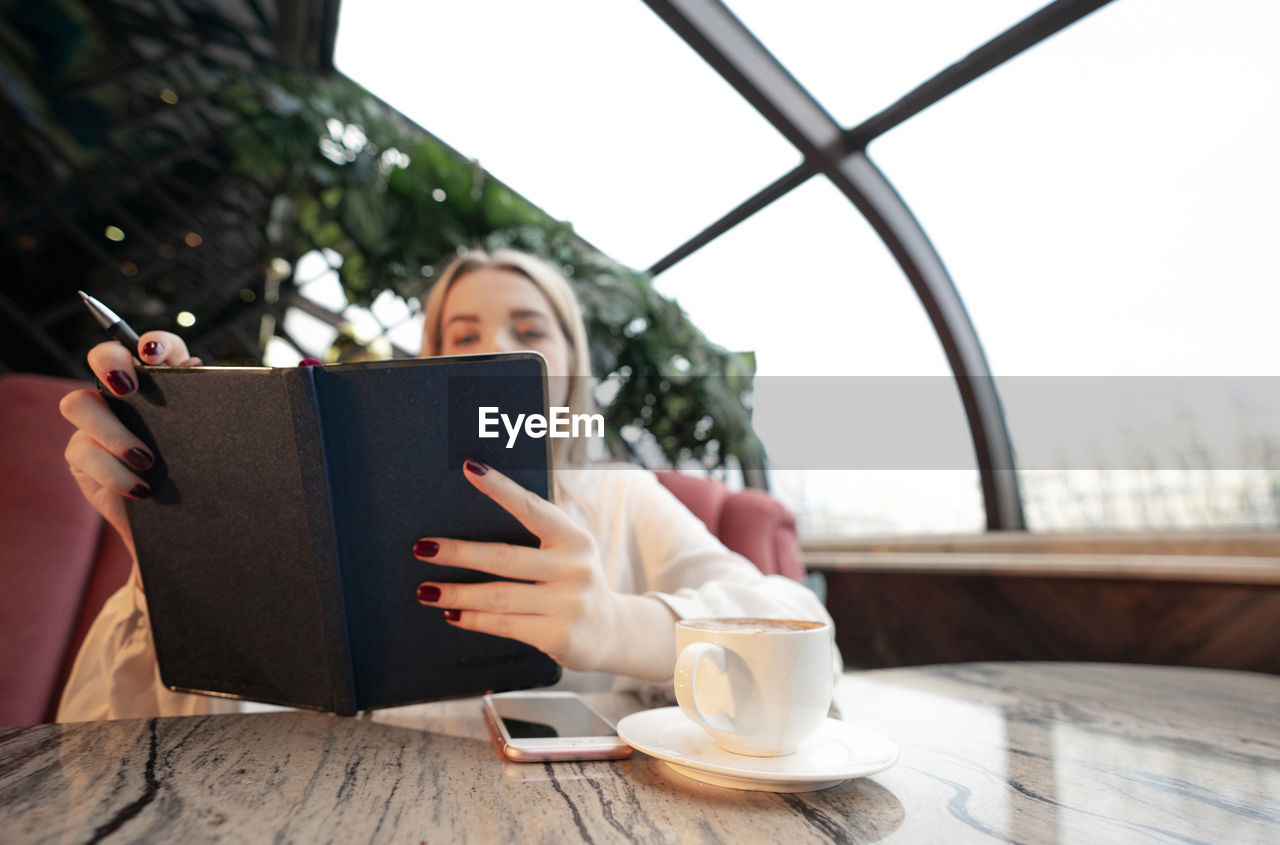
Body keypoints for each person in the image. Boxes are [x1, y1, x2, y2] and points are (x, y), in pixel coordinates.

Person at [57, 248, 834, 721]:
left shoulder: (624, 500)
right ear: (424, 367)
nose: (493, 345)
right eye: (462, 335)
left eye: (530, 332)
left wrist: (612, 625)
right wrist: (179, 564)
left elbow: (803, 636)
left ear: (573, 369)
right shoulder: (347, 514)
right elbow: (106, 749)